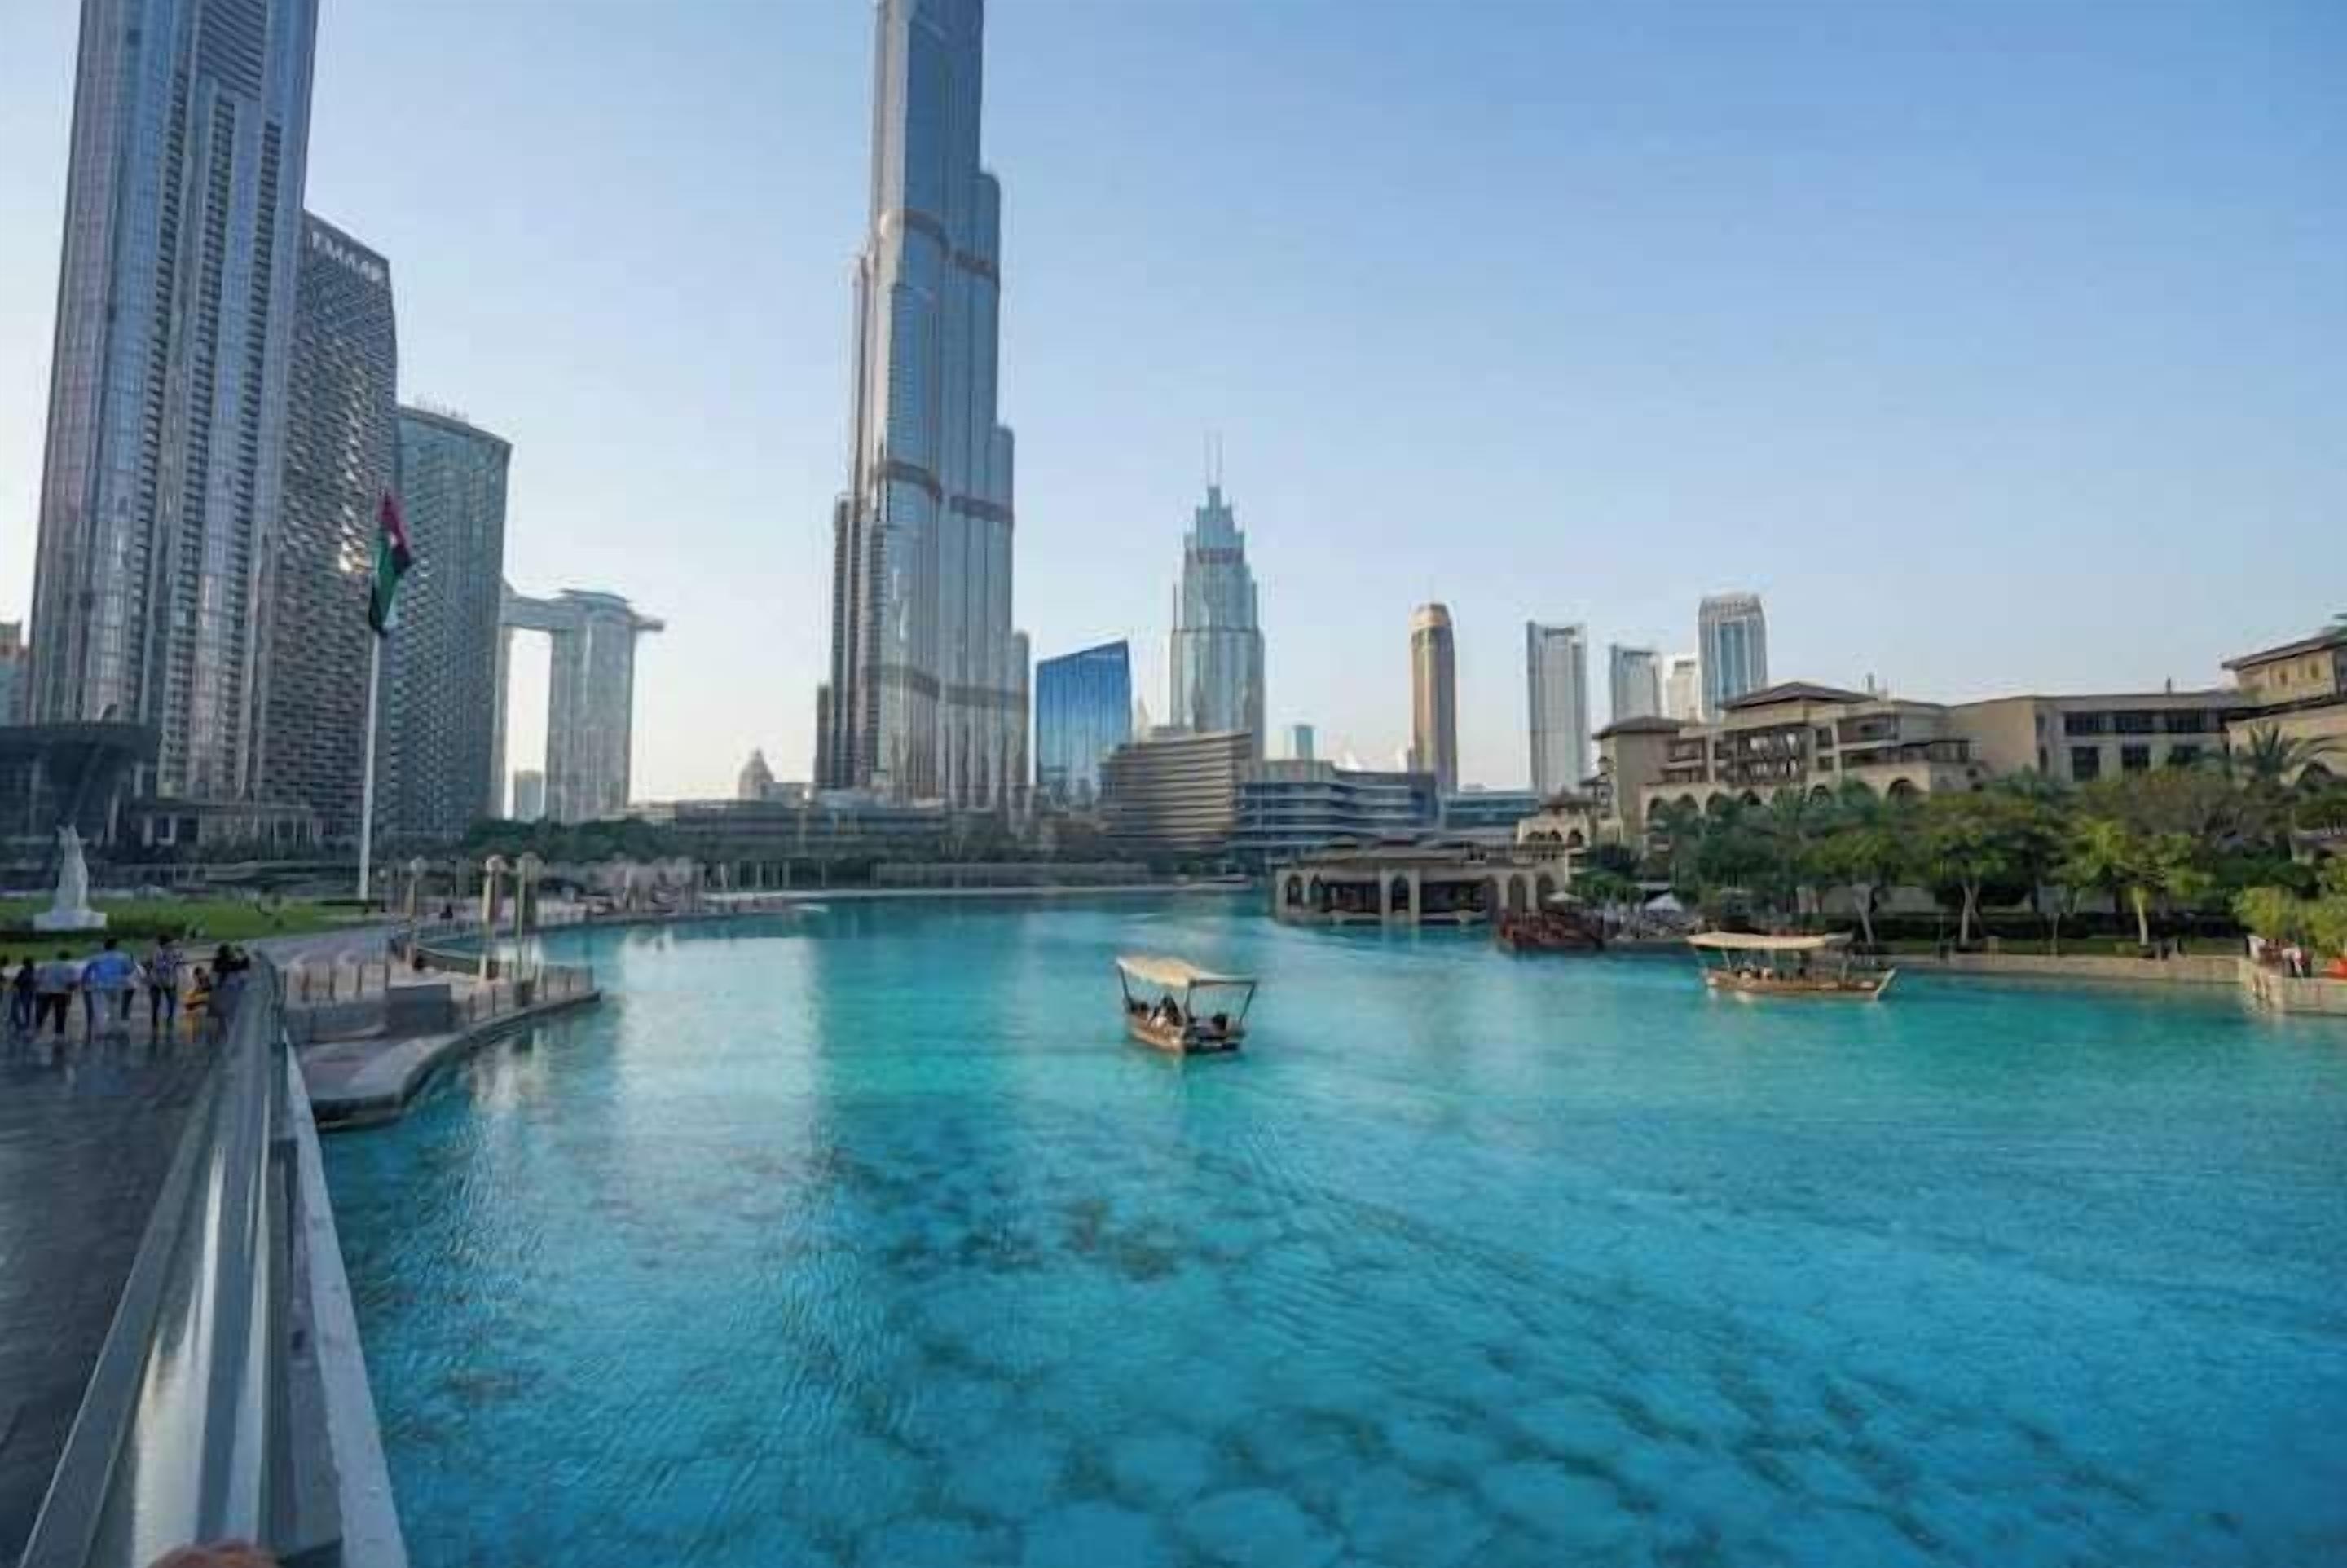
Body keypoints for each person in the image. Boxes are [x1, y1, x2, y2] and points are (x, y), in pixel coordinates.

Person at [81, 936, 139, 1033]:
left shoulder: (97, 958)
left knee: (103, 1007)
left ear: (105, 946)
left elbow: (87, 971)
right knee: (117, 1006)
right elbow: (129, 970)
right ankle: (119, 1024)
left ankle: (105, 1026)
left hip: (101, 985)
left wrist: (85, 983)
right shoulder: (123, 957)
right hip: (119, 985)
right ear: (116, 946)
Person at [35, 950, 79, 1038]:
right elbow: (73, 982)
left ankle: (37, 1028)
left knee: (43, 1011)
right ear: (68, 958)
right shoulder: (69, 967)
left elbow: (37, 977)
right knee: (60, 1013)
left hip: (45, 991)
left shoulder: (47, 965)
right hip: (61, 993)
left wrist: (40, 986)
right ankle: (59, 1033)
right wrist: (72, 990)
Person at [147, 937, 183, 1036]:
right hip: (157, 979)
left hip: (170, 979)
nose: (171, 945)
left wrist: (177, 960)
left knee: (172, 998)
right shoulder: (156, 952)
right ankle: (154, 1017)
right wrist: (171, 963)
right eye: (169, 944)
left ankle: (170, 1017)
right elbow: (158, 965)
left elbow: (179, 961)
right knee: (156, 1000)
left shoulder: (174, 951)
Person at [9, 955, 35, 1034]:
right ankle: (26, 1023)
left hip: (24, 991)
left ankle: (21, 1023)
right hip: (31, 991)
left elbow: (20, 981)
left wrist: (15, 983)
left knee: (21, 1007)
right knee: (27, 1008)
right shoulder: (32, 970)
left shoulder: (24, 971)